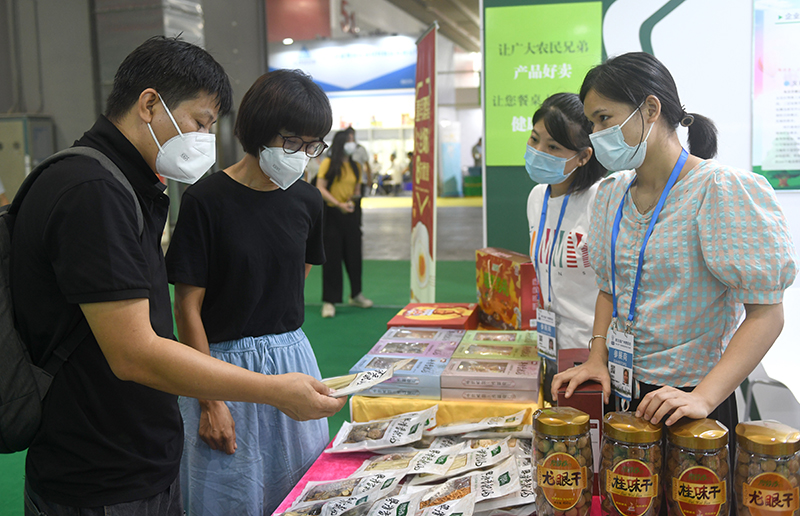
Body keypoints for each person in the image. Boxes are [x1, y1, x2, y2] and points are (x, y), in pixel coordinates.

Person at [10, 36, 345, 515]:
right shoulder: (92, 192)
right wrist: (263, 392)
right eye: (200, 122)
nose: (204, 138)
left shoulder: (126, 186)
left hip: (136, 452)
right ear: (150, 104)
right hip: (102, 468)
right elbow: (135, 353)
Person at [554, 53, 796, 437]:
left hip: (689, 402)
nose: (596, 134)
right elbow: (608, 289)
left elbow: (767, 312)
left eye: (604, 118)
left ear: (650, 109)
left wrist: (703, 396)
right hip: (622, 386)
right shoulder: (611, 194)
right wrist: (596, 357)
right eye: (591, 123)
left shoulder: (719, 190)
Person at [165, 70, 334, 515]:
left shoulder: (308, 202)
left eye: (313, 145)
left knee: (303, 492)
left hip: (292, 360)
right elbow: (187, 307)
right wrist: (210, 400)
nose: (302, 155)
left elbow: (296, 277)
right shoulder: (206, 200)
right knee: (226, 496)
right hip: (219, 368)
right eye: (292, 141)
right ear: (258, 131)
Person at [524, 92, 606, 404]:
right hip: (550, 348)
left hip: (595, 355)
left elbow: (614, 286)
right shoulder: (536, 198)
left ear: (584, 156)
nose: (538, 151)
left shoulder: (601, 200)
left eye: (553, 147)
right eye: (534, 140)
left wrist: (600, 352)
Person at [317, 129, 373, 318]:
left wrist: (351, 200)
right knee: (332, 258)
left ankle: (356, 294)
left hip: (350, 215)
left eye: (354, 140)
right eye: (350, 140)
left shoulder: (356, 166)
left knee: (354, 255)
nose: (353, 144)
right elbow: (321, 188)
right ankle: (329, 301)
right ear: (341, 143)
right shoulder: (328, 164)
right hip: (332, 215)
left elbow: (357, 189)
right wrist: (337, 203)